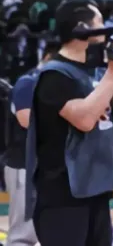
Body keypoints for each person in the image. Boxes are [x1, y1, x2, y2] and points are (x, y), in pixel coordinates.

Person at [25, 0, 113, 246]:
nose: (106, 27)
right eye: (100, 21)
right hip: (62, 196)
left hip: (95, 190)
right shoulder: (54, 74)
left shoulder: (96, 72)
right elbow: (84, 120)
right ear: (82, 28)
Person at [5, 45, 56, 246]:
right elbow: (26, 120)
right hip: (23, 164)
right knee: (23, 234)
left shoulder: (57, 84)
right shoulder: (28, 82)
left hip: (45, 164)